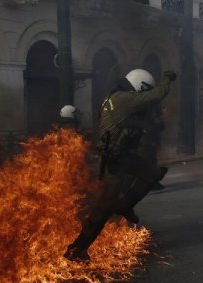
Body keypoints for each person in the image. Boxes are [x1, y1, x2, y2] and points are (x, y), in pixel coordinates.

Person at [64, 68, 176, 262]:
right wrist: (167, 77)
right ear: (139, 86)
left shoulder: (114, 99)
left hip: (122, 157)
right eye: (143, 90)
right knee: (103, 209)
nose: (143, 95)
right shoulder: (124, 98)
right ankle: (77, 249)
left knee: (153, 173)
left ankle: (125, 205)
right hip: (113, 161)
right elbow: (157, 94)